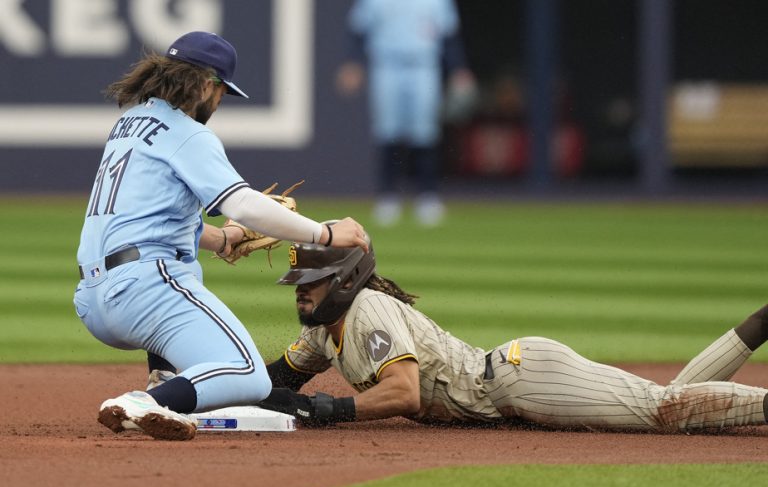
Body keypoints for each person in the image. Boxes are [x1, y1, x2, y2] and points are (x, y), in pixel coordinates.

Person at [73, 31, 368, 441]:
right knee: (249, 375)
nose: (219, 103)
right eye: (223, 92)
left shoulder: (128, 123)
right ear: (207, 85)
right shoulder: (188, 133)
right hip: (143, 291)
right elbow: (244, 206)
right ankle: (153, 400)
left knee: (182, 266)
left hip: (93, 299)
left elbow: (150, 218)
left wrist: (222, 239)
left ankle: (165, 377)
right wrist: (325, 232)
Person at [259, 231, 768, 432]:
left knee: (665, 411)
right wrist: (204, 389)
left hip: (521, 379)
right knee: (673, 404)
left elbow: (405, 392)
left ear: (344, 280)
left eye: (312, 282)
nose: (300, 292)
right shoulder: (324, 331)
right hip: (509, 388)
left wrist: (336, 408)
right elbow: (275, 382)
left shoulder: (368, 309)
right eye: (298, 283)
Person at [336, 0, 476, 227]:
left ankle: (428, 196)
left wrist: (458, 68)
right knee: (387, 131)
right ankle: (387, 197)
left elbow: (449, 36)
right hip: (387, 64)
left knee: (426, 133)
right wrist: (352, 62)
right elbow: (358, 30)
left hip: (424, 64)